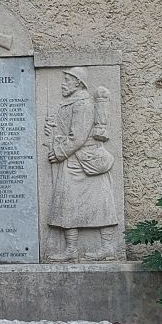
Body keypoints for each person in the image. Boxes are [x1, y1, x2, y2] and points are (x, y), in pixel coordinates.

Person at [45, 68, 118, 260]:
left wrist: (60, 152)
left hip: (87, 160)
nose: (63, 83)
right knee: (67, 205)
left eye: (67, 80)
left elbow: (78, 136)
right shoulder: (71, 102)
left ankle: (108, 247)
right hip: (73, 161)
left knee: (101, 205)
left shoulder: (83, 104)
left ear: (78, 82)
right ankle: (71, 250)